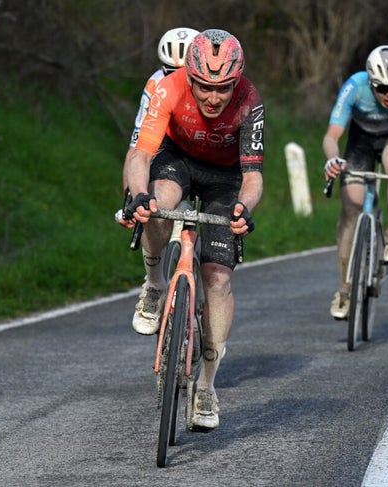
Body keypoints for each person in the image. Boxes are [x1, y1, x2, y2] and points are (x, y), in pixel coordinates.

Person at [122, 29, 264, 431]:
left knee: (217, 277)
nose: (214, 98)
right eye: (204, 87)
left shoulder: (250, 100)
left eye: (224, 88)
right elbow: (141, 154)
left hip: (225, 177)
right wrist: (137, 195)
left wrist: (243, 207)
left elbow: (253, 175)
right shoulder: (168, 88)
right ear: (190, 75)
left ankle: (206, 385)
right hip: (178, 159)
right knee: (158, 203)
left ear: (236, 82)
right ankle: (154, 283)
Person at [322, 45, 388, 320]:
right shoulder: (354, 86)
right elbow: (332, 136)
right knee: (351, 210)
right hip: (360, 141)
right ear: (370, 81)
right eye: (382, 88)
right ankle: (343, 290)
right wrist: (332, 160)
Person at [120, 27, 199, 195]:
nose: (178, 80)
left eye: (187, 74)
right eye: (171, 71)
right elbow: (136, 144)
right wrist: (129, 196)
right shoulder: (156, 82)